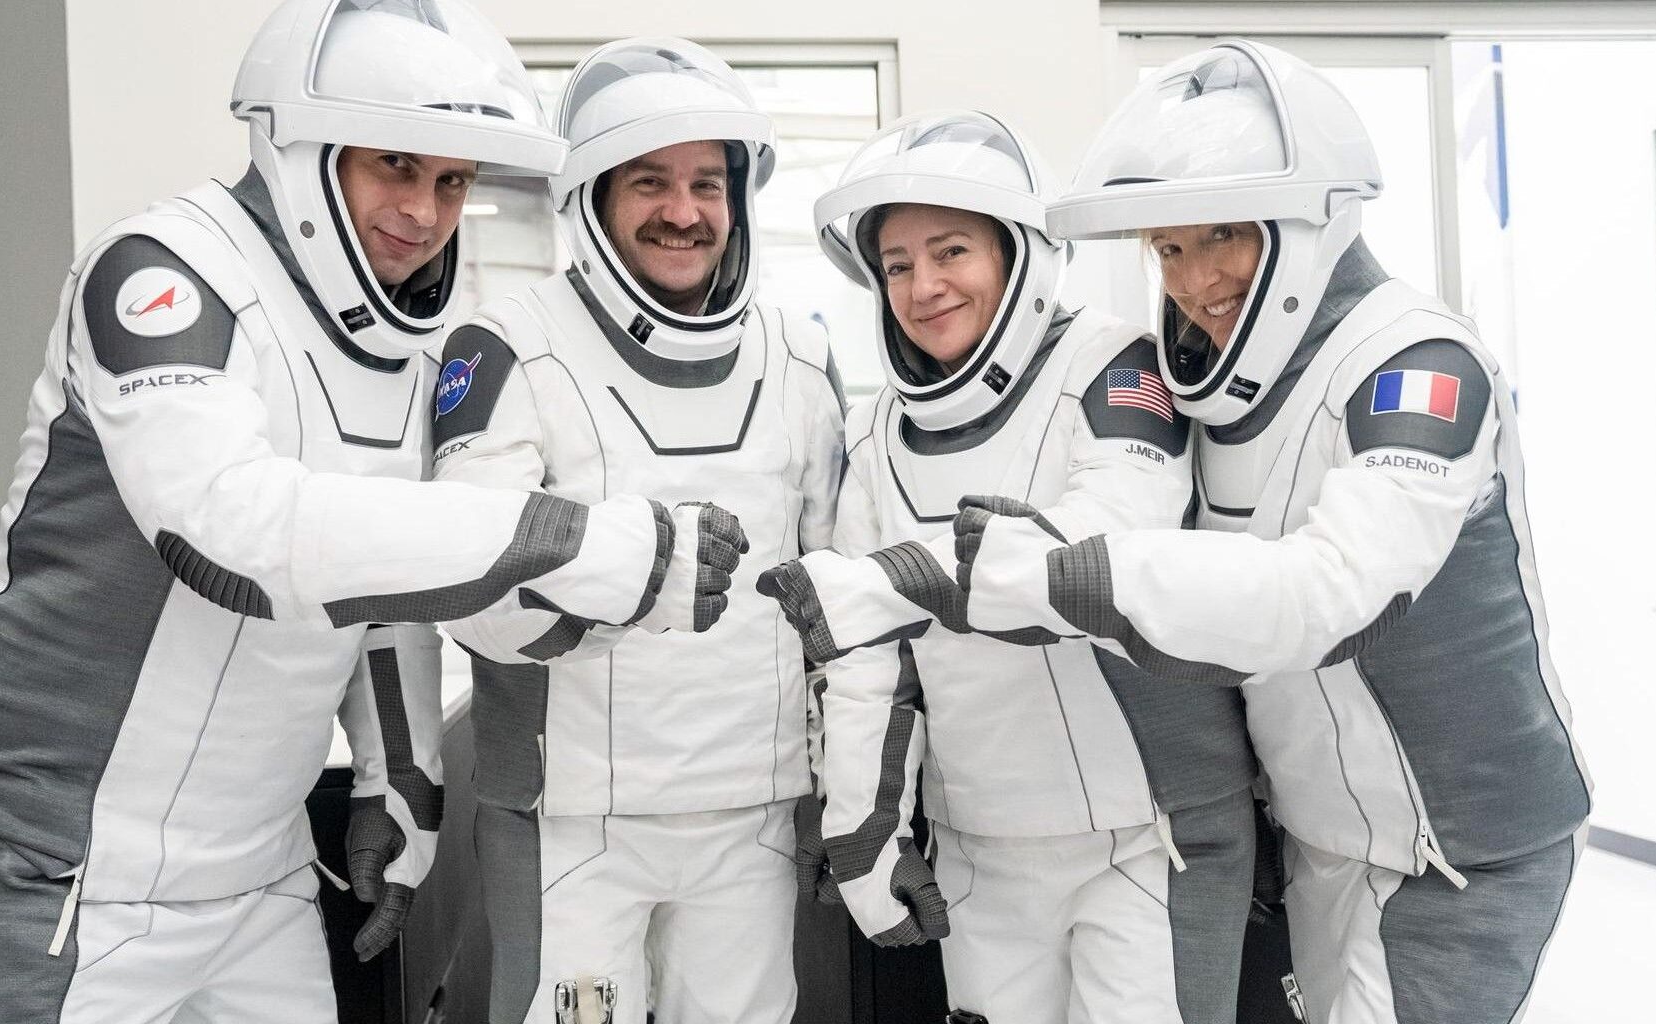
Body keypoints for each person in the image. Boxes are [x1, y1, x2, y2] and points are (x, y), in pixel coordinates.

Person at [0, 4, 742, 1021]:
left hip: (257, 876)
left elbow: (381, 573)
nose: (426, 210)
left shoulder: (409, 349)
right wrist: (565, 536)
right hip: (56, 865)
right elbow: (233, 532)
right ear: (304, 149)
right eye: (396, 164)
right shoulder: (165, 269)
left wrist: (400, 781)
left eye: (451, 181)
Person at [949, 40, 1593, 1024]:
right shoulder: (1211, 378)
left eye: (1221, 236)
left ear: (1307, 225)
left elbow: (1335, 596)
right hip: (1320, 834)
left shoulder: (1417, 365)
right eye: (1167, 249)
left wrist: (1091, 574)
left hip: (1461, 851)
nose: (1195, 280)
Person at [754, 110, 1257, 1024]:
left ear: (1019, 256)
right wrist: (867, 835)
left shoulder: (1115, 368)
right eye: (898, 266)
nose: (924, 286)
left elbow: (1112, 535)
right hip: (980, 844)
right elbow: (868, 666)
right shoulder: (875, 435)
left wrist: (900, 576)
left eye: (951, 252)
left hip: (1147, 837)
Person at [428, 38, 845, 1024]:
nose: (685, 210)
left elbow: (837, 591)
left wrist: (846, 783)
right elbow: (467, 583)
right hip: (570, 821)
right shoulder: (505, 347)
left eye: (709, 182)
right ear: (591, 200)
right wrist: (623, 569)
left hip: (753, 812)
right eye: (650, 181)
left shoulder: (802, 356)